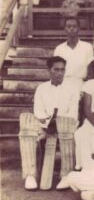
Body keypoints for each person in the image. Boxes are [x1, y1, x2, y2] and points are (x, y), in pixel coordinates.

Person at [19, 56, 79, 190]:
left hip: (65, 128)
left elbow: (73, 113)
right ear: (49, 70)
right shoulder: (41, 88)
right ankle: (30, 174)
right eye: (56, 69)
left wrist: (56, 123)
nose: (59, 73)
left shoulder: (73, 88)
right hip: (44, 128)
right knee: (26, 122)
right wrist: (48, 124)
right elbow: (38, 111)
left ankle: (66, 175)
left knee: (67, 124)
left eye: (62, 70)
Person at [54, 16, 94, 92]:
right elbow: (55, 73)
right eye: (69, 26)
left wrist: (87, 89)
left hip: (81, 85)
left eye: (74, 26)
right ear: (65, 29)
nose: (72, 29)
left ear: (79, 28)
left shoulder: (87, 47)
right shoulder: (59, 49)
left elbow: (91, 73)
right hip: (63, 85)